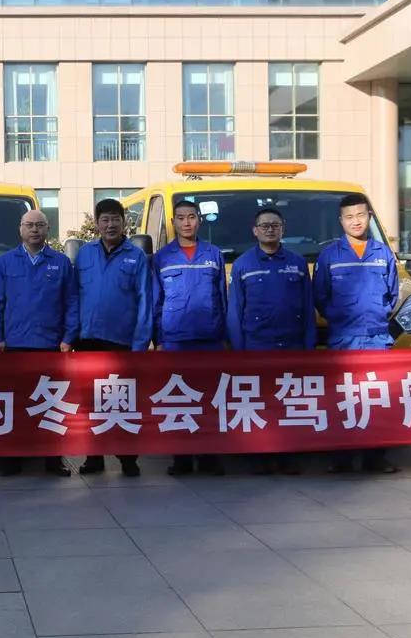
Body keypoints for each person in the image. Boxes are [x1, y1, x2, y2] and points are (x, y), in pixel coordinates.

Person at [0, 209, 78, 477]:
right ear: (20, 229)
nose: (34, 229)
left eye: (40, 225)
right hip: (14, 344)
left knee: (51, 403)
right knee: (15, 403)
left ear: (48, 229)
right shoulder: (6, 262)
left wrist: (68, 337)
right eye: (29, 225)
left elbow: (72, 303)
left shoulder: (61, 263)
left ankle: (53, 459)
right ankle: (13, 458)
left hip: (51, 344)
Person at [314, 192, 398, 474]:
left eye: (361, 215)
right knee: (343, 399)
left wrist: (376, 314)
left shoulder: (383, 254)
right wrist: (340, 317)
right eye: (349, 217)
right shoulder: (329, 256)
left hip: (377, 339)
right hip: (343, 340)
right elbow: (320, 296)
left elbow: (392, 294)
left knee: (377, 399)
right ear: (341, 221)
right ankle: (342, 457)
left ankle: (376, 457)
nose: (356, 221)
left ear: (369, 217)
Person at [226, 208, 315, 475]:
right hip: (257, 347)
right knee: (261, 403)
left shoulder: (297, 263)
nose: (269, 229)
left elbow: (308, 307)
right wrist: (239, 351)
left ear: (283, 229)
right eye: (264, 225)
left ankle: (288, 455)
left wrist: (309, 346)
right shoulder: (243, 265)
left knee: (290, 403)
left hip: (292, 346)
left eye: (275, 225)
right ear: (255, 231)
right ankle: (262, 455)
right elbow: (235, 312)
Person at [74, 198, 151, 478]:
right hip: (87, 339)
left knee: (122, 401)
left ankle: (127, 458)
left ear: (124, 222)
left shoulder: (136, 256)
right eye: (104, 219)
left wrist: (140, 344)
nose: (110, 225)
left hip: (121, 341)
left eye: (115, 219)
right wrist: (71, 335)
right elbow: (74, 296)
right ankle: (93, 457)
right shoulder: (84, 254)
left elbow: (145, 300)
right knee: (91, 401)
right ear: (96, 224)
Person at [152, 199, 227, 476]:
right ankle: (181, 458)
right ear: (173, 222)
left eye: (191, 217)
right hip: (175, 341)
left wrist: (225, 336)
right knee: (179, 399)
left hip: (210, 339)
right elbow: (156, 301)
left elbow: (223, 298)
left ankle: (209, 457)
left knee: (210, 399)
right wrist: (158, 340)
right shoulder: (162, 258)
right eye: (181, 218)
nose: (186, 222)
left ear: (199, 220)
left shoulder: (214, 254)